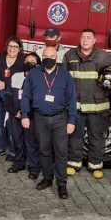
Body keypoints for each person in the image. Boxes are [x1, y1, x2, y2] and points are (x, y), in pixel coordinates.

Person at [62, 28, 111, 179]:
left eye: (89, 37)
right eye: (83, 37)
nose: (85, 40)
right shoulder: (70, 56)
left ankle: (96, 166)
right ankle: (74, 163)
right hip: (77, 105)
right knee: (75, 136)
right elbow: (62, 78)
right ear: (79, 39)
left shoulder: (104, 56)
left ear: (94, 41)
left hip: (97, 105)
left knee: (97, 137)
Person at [20, 46, 77, 199]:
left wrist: (71, 120)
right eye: (45, 55)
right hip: (40, 118)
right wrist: (24, 115)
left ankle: (62, 183)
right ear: (41, 56)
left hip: (60, 118)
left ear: (57, 57)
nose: (48, 58)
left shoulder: (65, 75)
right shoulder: (33, 73)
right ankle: (47, 177)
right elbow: (26, 96)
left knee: (60, 152)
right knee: (44, 150)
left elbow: (72, 99)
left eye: (51, 56)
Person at [5, 52, 41, 179]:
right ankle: (19, 163)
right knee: (18, 141)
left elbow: (39, 101)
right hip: (16, 115)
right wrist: (15, 111)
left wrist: (26, 114)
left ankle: (34, 167)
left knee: (31, 143)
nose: (29, 63)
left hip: (31, 117)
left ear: (38, 65)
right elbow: (8, 96)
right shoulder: (16, 76)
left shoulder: (40, 79)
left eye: (33, 61)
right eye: (27, 60)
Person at [0, 37, 24, 159]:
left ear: (19, 49)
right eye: (10, 46)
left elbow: (23, 81)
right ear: (6, 47)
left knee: (11, 125)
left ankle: (13, 152)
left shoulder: (22, 63)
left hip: (12, 101)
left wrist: (7, 84)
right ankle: (0, 148)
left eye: (15, 47)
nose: (12, 49)